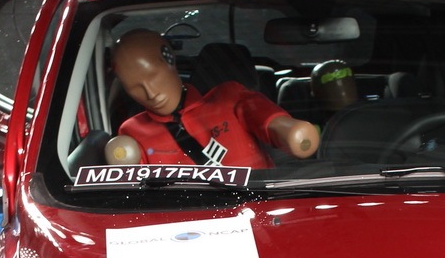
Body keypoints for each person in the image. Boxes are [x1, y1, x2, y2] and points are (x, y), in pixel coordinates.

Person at [103, 30, 320, 168]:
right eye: (135, 88)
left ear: (170, 59)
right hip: (187, 219)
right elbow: (133, 185)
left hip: (255, 208)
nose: (151, 93)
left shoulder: (229, 97)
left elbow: (264, 118)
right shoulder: (133, 131)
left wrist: (288, 131)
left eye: (154, 77)